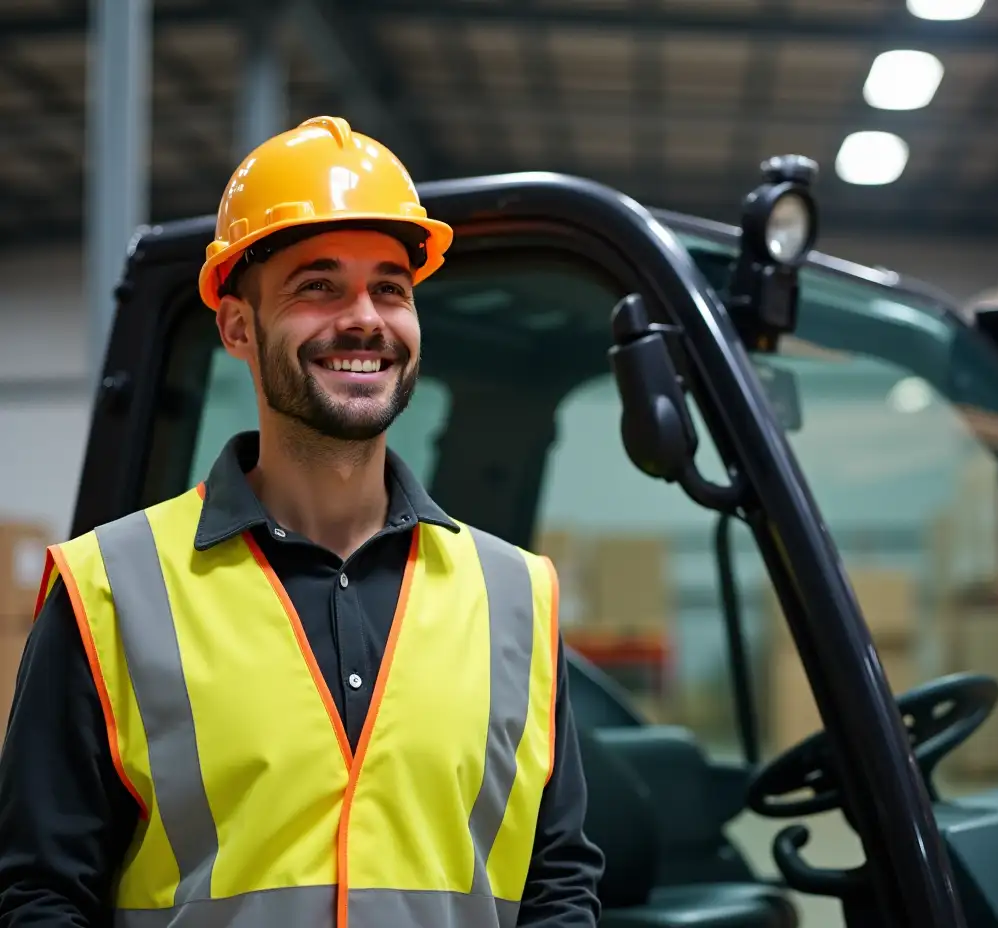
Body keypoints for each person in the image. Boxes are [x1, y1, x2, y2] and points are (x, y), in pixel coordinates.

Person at [0, 115, 604, 927]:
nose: (364, 318)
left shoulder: (518, 597)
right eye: (318, 286)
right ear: (239, 327)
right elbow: (39, 896)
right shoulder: (108, 588)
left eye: (390, 287)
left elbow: (557, 882)